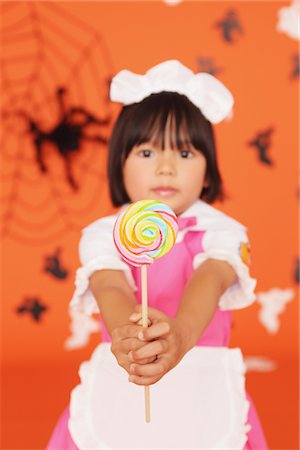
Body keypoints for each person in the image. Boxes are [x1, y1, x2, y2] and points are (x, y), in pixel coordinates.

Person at [47, 60, 268, 449]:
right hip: (126, 376)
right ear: (120, 162)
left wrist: (179, 337)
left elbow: (210, 278)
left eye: (184, 154)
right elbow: (110, 285)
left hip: (202, 380)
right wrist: (128, 337)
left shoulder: (222, 233)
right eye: (147, 153)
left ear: (208, 170)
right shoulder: (104, 236)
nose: (165, 168)